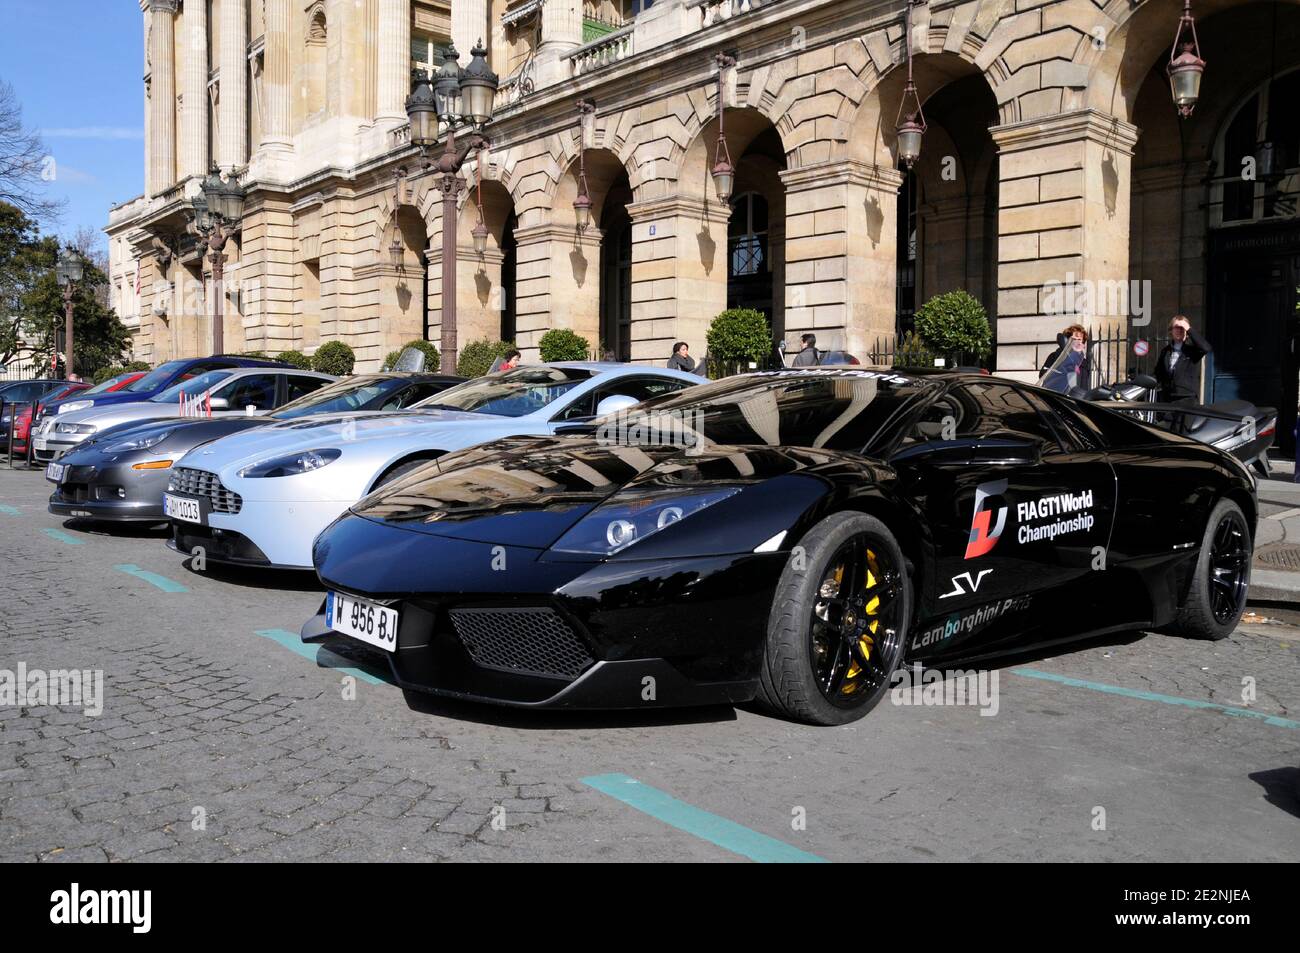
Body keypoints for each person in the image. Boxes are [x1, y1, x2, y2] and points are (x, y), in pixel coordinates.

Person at [1154, 315, 1211, 405]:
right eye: (1176, 327)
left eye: (1182, 328)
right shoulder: (1166, 351)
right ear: (1171, 330)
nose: (1179, 330)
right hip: (1168, 397)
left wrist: (1188, 328)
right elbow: (1158, 372)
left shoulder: (1192, 350)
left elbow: (1206, 348)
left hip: (1187, 397)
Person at [1039, 324, 1091, 393]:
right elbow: (1042, 374)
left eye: (1079, 339)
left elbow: (1084, 384)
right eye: (1074, 339)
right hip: (1055, 394)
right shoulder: (1054, 356)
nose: (1077, 342)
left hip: (1075, 397)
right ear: (1067, 340)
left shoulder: (1083, 361)